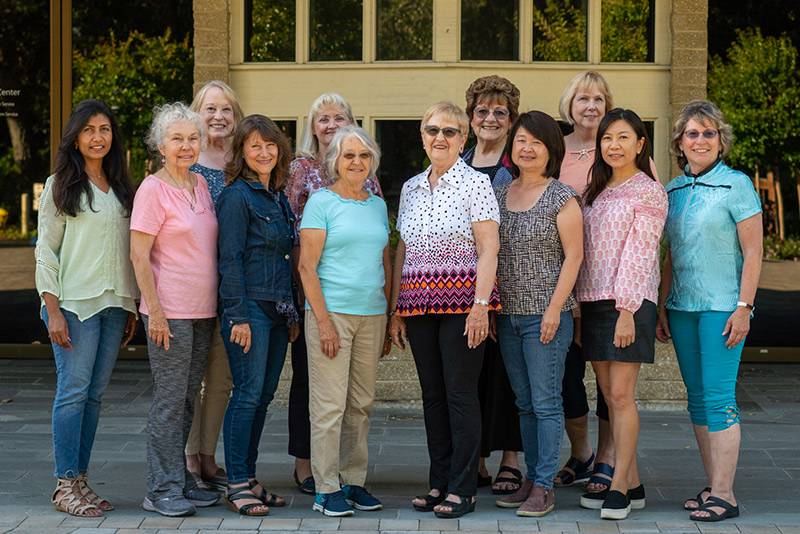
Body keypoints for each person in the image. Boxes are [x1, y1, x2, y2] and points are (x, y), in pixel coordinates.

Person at [389, 101, 500, 519]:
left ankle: (463, 488)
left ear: (463, 139)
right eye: (432, 130)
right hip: (418, 306)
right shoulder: (411, 186)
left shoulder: (475, 184)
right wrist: (397, 308)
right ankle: (439, 483)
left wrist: (481, 306)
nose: (440, 137)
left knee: (459, 394)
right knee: (432, 396)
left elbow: (489, 249)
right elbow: (404, 248)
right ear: (422, 135)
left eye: (450, 131)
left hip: (462, 306)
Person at [656, 100, 762, 522]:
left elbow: (754, 253)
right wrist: (664, 305)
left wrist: (744, 307)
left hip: (723, 307)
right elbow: (668, 255)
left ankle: (725, 494)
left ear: (721, 141)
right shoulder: (672, 190)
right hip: (682, 307)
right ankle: (713, 484)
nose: (700, 140)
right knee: (697, 401)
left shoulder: (737, 185)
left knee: (718, 399)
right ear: (680, 142)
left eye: (708, 133)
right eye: (692, 133)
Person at [36, 99, 139, 517]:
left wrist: (130, 306)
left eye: (105, 129)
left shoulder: (122, 188)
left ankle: (80, 479)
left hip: (114, 306)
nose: (98, 137)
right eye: (89, 130)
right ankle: (64, 486)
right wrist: (52, 309)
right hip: (74, 306)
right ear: (76, 138)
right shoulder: (60, 183)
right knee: (73, 394)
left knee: (94, 397)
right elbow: (46, 250)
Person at [286, 93, 384, 495]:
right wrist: (322, 321)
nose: (356, 163)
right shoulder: (321, 202)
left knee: (360, 405)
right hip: (332, 314)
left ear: (371, 162)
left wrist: (391, 312)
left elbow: (386, 259)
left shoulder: (377, 204)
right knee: (328, 407)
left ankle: (353, 480)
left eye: (363, 156)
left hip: (371, 315)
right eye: (348, 156)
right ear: (334, 162)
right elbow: (306, 266)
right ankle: (326, 488)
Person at [575, 108, 668, 520]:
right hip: (593, 303)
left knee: (619, 396)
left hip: (628, 303)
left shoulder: (648, 191)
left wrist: (628, 310)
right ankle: (633, 483)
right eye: (608, 138)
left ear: (640, 143)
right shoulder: (593, 192)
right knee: (607, 398)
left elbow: (641, 253)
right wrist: (577, 308)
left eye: (624, 137)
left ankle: (619, 487)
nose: (614, 145)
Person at [131, 102, 222, 517]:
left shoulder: (200, 186)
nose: (186, 146)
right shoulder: (152, 189)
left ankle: (179, 478)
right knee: (169, 401)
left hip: (203, 312)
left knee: (187, 399)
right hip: (169, 312)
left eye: (192, 138)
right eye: (177, 139)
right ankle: (160, 488)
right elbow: (138, 256)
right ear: (160, 145)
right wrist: (157, 312)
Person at [492, 111, 583, 517]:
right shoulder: (497, 194)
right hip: (507, 315)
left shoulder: (561, 197)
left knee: (546, 402)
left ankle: (544, 486)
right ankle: (532, 477)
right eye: (521, 140)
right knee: (524, 402)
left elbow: (575, 257)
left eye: (537, 142)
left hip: (545, 316)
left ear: (552, 151)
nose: (527, 148)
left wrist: (553, 310)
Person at [217, 115, 299, 516]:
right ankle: (235, 483)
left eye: (269, 145)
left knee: (264, 396)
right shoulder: (237, 197)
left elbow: (284, 260)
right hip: (249, 308)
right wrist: (237, 317)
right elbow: (229, 259)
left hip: (278, 309)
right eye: (254, 146)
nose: (263, 152)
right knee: (247, 394)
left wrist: (293, 315)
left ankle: (248, 477)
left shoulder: (278, 197)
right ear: (242, 153)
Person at [553, 70, 616, 493]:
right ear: (569, 106)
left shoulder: (620, 147)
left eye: (598, 98)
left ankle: (610, 459)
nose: (590, 105)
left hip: (611, 285)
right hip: (562, 285)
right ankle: (581, 452)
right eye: (582, 98)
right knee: (565, 376)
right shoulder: (554, 152)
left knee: (612, 380)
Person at [462, 75, 523, 495]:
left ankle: (510, 460)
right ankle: (477, 460)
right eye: (482, 110)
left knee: (508, 376)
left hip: (512, 285)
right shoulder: (458, 161)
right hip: (465, 287)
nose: (490, 118)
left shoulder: (519, 164)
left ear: (511, 120)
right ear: (470, 117)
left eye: (500, 112)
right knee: (472, 376)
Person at [185, 81, 244, 489]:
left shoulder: (242, 161)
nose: (218, 117)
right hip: (193, 286)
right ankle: (188, 458)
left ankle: (208, 454)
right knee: (192, 378)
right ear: (197, 113)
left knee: (221, 379)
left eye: (225, 109)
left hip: (234, 288)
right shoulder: (186, 162)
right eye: (210, 109)